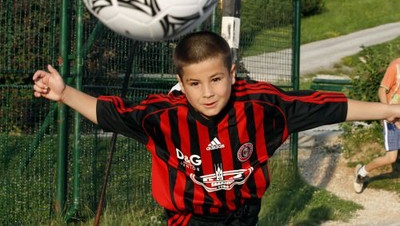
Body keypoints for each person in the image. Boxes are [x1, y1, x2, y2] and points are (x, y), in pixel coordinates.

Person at [33, 31, 400, 225]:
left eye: (216, 79)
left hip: (245, 214)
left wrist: (388, 110)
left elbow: (327, 108)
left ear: (232, 74)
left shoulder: (262, 106)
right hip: (189, 219)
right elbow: (109, 113)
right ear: (180, 81)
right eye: (195, 84)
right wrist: (64, 93)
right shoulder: (162, 116)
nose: (208, 93)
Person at [353, 58, 400, 194]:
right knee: (391, 158)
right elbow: (382, 90)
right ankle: (361, 174)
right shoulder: (396, 66)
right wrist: (387, 112)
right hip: (391, 118)